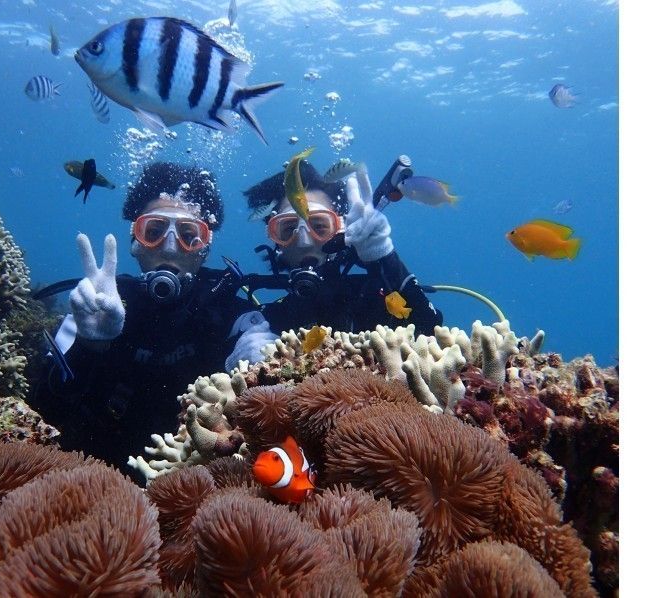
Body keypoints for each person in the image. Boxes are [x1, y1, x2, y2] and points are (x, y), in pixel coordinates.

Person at [31, 162, 275, 474]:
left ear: (205, 248)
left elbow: (262, 352)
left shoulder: (232, 312)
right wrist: (88, 344)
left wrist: (257, 361)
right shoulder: (97, 307)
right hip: (96, 480)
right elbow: (41, 411)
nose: (171, 247)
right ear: (135, 242)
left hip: (205, 484)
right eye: (154, 232)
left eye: (189, 235)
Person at [239, 156, 442, 362]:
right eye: (289, 229)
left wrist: (385, 257)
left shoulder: (379, 298)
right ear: (275, 240)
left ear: (342, 231)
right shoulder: (267, 322)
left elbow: (433, 335)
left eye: (319, 226)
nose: (304, 242)